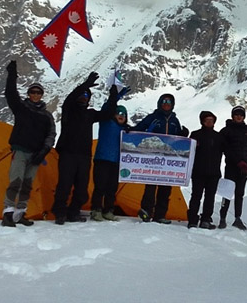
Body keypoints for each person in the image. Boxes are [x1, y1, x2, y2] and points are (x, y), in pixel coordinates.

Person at [52, 72, 114, 225]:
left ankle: (73, 212)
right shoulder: (69, 110)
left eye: (87, 95)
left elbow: (107, 114)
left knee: (82, 188)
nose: (84, 97)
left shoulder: (90, 114)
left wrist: (113, 96)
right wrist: (85, 85)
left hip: (85, 156)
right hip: (68, 153)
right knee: (64, 185)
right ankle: (60, 213)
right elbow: (70, 98)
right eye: (82, 94)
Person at [1, 60, 56, 227]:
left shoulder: (47, 116)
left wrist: (44, 151)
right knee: (16, 181)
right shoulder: (21, 108)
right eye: (33, 92)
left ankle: (20, 213)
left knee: (27, 184)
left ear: (42, 95)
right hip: (21, 150)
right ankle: (7, 213)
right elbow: (10, 94)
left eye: (38, 92)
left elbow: (51, 134)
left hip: (36, 154)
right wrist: (12, 75)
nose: (35, 95)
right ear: (29, 93)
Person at [133, 93, 189, 224]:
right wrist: (130, 130)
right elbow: (138, 129)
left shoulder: (175, 121)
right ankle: (146, 211)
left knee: (166, 188)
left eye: (169, 102)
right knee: (150, 186)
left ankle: (160, 215)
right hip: (152, 159)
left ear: (172, 105)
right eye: (164, 101)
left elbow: (177, 139)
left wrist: (182, 135)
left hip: (168, 161)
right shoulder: (152, 117)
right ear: (159, 103)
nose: (166, 104)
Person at [90, 84, 131, 221]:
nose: (121, 116)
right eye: (119, 113)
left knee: (112, 188)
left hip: (116, 162)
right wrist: (115, 97)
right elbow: (106, 108)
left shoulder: (125, 130)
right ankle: (96, 210)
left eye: (123, 114)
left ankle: (108, 210)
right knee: (100, 186)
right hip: (102, 159)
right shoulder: (106, 121)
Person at [188, 111, 225, 229]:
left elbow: (228, 151)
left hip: (213, 173)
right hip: (198, 172)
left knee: (210, 197)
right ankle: (192, 219)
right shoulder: (195, 135)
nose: (209, 122)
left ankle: (206, 219)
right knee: (196, 196)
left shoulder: (219, 137)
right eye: (207, 120)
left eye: (211, 120)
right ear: (202, 122)